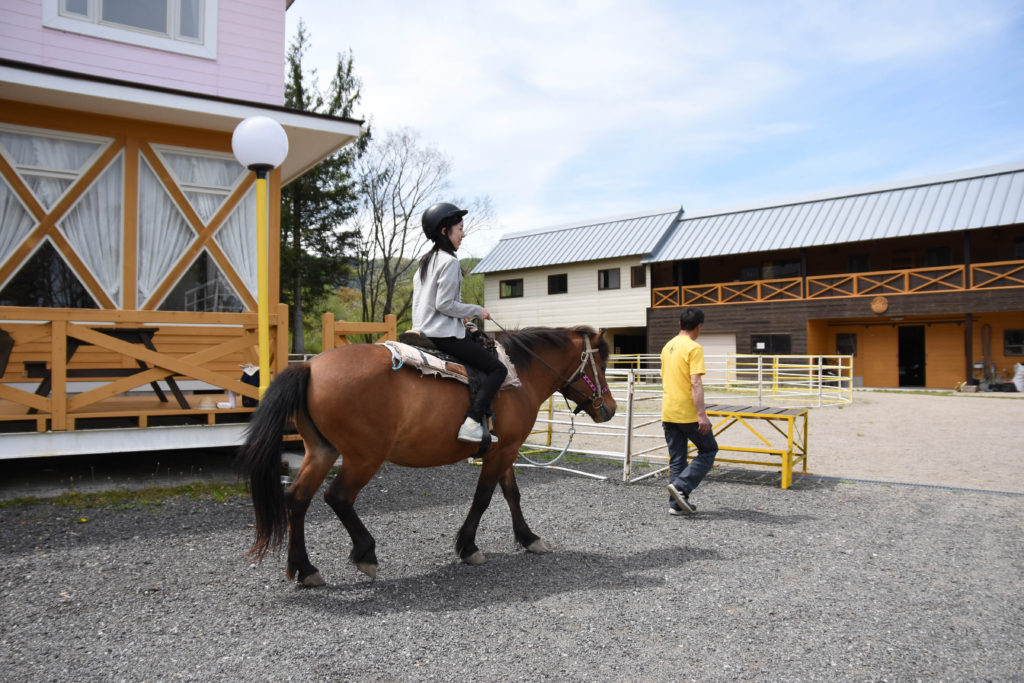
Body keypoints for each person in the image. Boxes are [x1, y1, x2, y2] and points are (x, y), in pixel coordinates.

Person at [412, 202, 507, 444]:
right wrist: (477, 311)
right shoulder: (450, 262)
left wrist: (462, 316)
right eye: (460, 229)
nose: (463, 234)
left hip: (422, 330)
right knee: (498, 369)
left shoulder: (425, 262)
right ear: (445, 231)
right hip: (443, 335)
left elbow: (431, 304)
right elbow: (445, 305)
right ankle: (473, 422)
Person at [661, 307, 718, 514]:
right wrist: (701, 414)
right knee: (709, 449)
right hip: (687, 413)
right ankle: (681, 487)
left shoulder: (667, 346)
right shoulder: (694, 348)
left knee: (677, 459)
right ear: (699, 326)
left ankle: (676, 505)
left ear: (680, 324)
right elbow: (695, 382)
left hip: (668, 410)